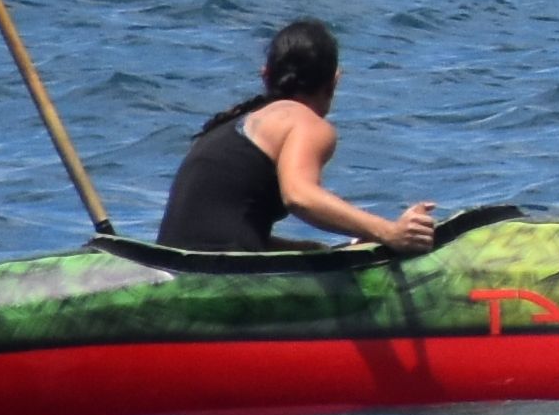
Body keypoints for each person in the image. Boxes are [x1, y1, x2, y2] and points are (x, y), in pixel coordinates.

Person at [154, 19, 439, 252]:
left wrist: (304, 249)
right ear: (335, 80)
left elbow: (213, 228)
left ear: (265, 76)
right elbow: (299, 197)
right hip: (218, 274)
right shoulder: (305, 123)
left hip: (174, 264)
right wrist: (389, 232)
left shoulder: (231, 123)